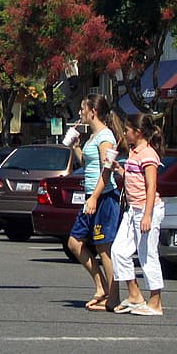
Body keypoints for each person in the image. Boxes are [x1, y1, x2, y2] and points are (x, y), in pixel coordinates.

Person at [65, 93, 125, 311]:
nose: (80, 112)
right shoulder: (92, 137)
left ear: (93, 112)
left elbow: (106, 170)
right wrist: (75, 146)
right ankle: (101, 287)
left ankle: (114, 297)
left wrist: (94, 197)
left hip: (103, 197)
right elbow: (86, 164)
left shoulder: (105, 136)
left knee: (103, 247)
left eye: (83, 108)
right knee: (74, 242)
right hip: (91, 196)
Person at [110, 113, 165, 316]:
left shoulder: (149, 155)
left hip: (146, 210)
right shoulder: (134, 152)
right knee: (119, 251)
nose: (125, 134)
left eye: (127, 130)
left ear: (138, 132)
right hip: (132, 209)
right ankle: (134, 294)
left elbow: (151, 187)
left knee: (147, 256)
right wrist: (119, 170)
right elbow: (133, 177)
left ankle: (155, 301)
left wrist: (148, 215)